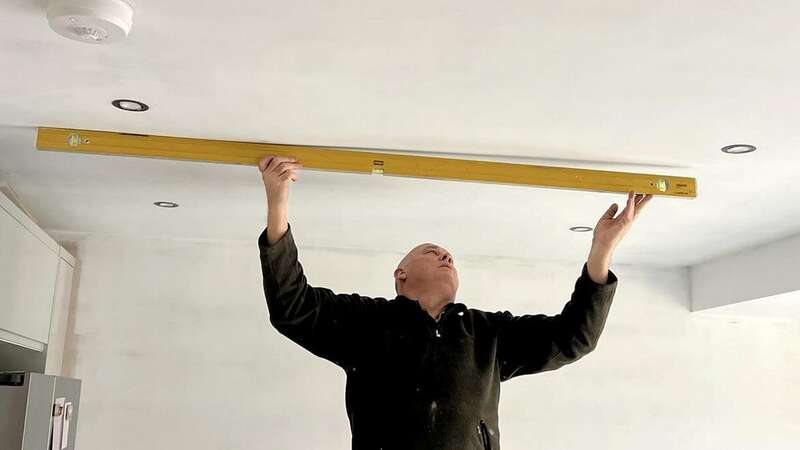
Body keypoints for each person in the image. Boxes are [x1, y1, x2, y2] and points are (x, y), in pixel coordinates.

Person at [257, 155, 653, 450]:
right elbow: (293, 306)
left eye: (450, 256)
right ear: (401, 275)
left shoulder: (488, 334)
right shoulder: (366, 324)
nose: (447, 257)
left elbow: (573, 337)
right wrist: (278, 203)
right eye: (432, 252)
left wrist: (602, 250)